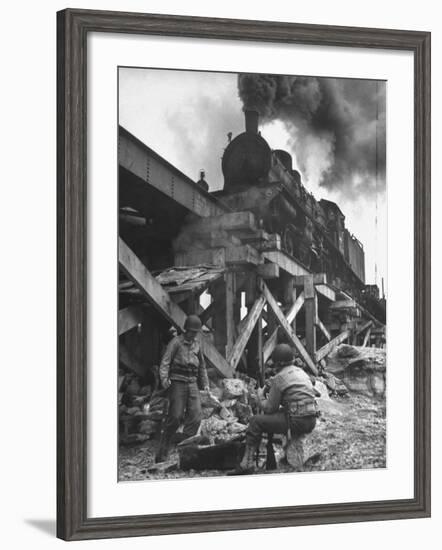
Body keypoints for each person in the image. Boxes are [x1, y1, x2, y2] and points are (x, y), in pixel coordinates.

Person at [236, 343, 318, 474]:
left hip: (297, 421)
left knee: (255, 421)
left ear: (278, 363)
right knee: (282, 414)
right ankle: (288, 455)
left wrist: (259, 397)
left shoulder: (279, 378)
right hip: (311, 419)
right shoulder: (301, 372)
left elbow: (269, 409)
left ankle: (247, 464)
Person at [155, 315, 210, 462]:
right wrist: (164, 379)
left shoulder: (197, 345)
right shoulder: (176, 343)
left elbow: (202, 366)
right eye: (191, 332)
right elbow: (165, 362)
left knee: (197, 416)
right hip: (178, 382)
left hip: (192, 382)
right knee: (175, 417)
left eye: (195, 332)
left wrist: (205, 383)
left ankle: (185, 447)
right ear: (186, 330)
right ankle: (163, 450)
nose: (193, 335)